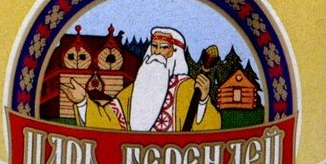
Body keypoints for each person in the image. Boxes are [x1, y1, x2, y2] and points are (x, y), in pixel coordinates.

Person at [62, 26, 221, 132]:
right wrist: (82, 102)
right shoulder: (137, 89)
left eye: (164, 47)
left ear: (175, 53)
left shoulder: (188, 88)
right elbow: (110, 120)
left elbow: (210, 128)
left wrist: (202, 101)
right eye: (154, 46)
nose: (156, 52)